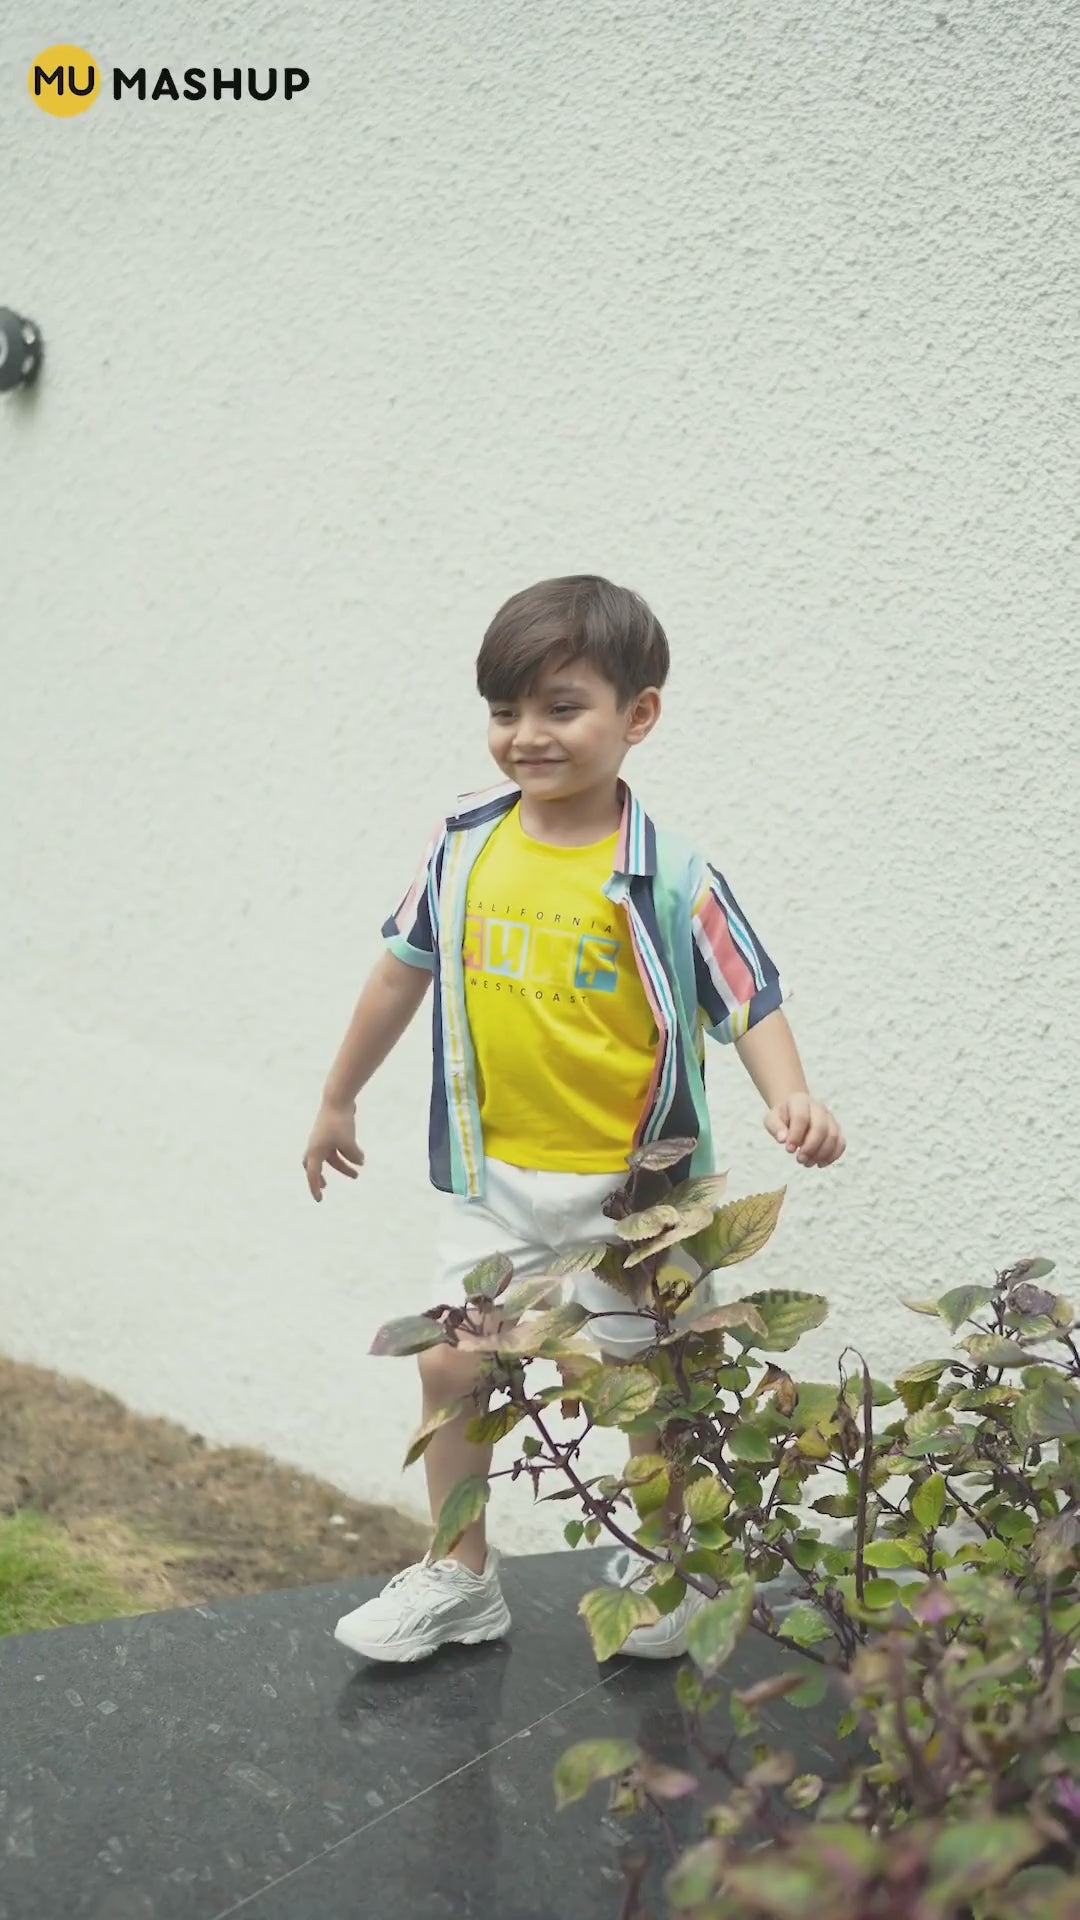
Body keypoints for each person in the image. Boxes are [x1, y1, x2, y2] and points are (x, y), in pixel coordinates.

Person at [302, 575, 845, 1664]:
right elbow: (399, 971)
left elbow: (747, 996)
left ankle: (666, 1566)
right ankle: (460, 1577)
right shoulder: (465, 844)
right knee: (452, 1365)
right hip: (497, 1180)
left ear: (638, 715)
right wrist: (336, 1095)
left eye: (561, 707)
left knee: (649, 1388)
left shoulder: (670, 873)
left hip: (638, 1200)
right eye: (505, 711)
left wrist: (790, 1092)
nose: (527, 736)